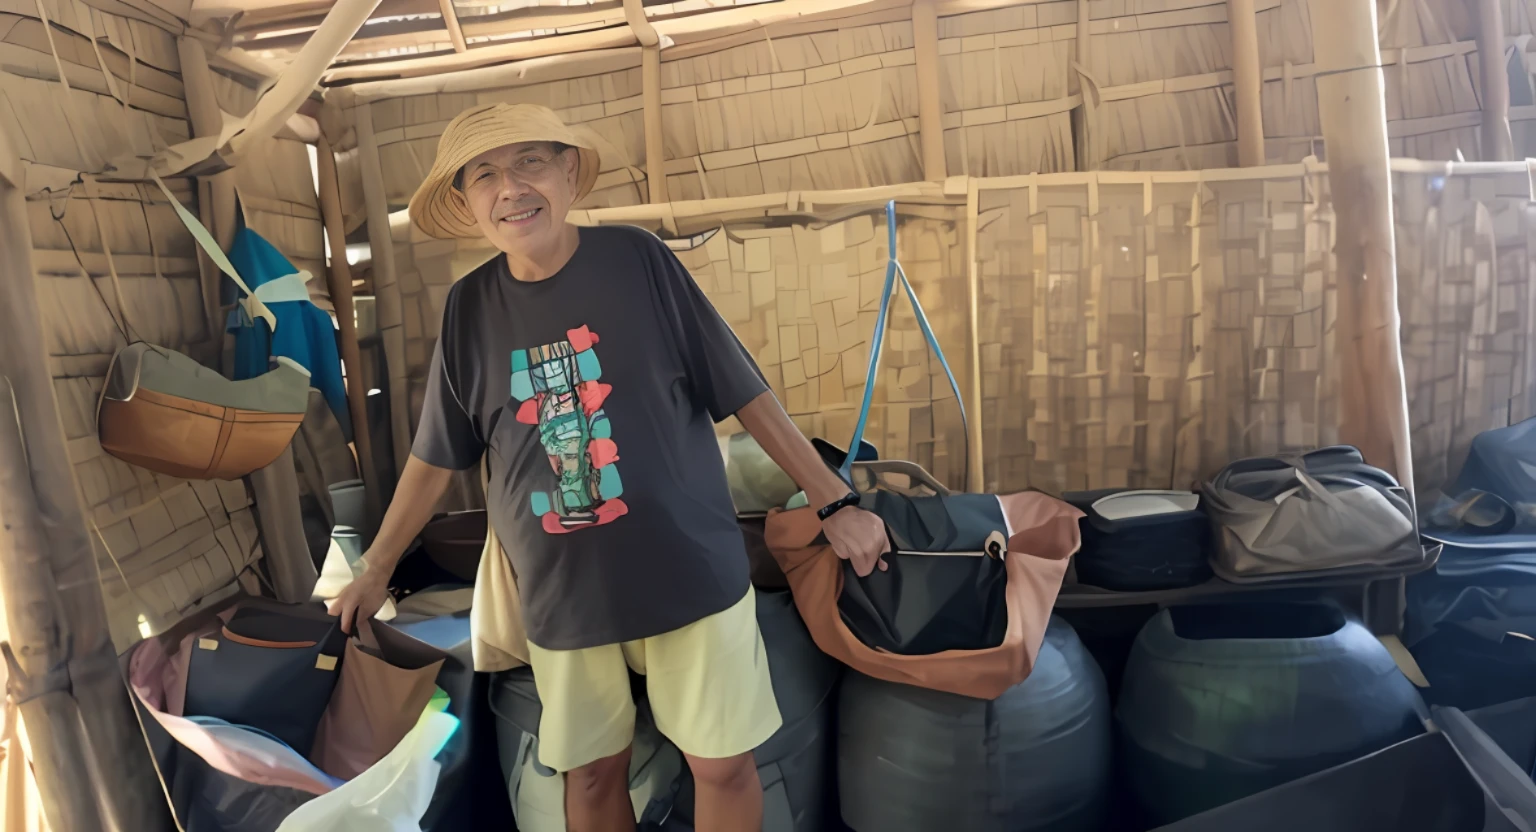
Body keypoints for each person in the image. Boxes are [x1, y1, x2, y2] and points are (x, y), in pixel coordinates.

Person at [327, 102, 890, 832]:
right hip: (565, 593)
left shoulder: (636, 260)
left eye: (530, 162)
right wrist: (375, 568)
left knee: (722, 764)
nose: (511, 188)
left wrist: (835, 502)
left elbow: (743, 388)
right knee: (591, 775)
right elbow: (436, 454)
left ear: (567, 172)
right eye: (486, 174)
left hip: (689, 572)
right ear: (468, 202)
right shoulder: (470, 308)